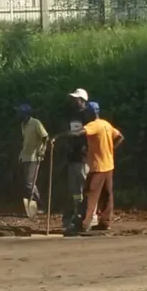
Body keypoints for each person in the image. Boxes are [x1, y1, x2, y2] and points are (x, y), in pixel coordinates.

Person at [55, 103, 124, 234]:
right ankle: (105, 222)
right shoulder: (106, 124)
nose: (85, 114)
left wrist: (59, 136)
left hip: (97, 167)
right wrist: (111, 149)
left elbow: (78, 133)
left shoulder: (93, 125)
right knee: (107, 195)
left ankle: (82, 224)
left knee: (89, 194)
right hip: (109, 165)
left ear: (91, 113)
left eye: (87, 112)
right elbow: (120, 137)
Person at [62, 89, 92, 233]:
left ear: (83, 100)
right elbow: (69, 132)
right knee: (74, 191)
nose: (74, 101)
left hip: (83, 157)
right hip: (72, 157)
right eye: (74, 98)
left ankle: (88, 218)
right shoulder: (72, 115)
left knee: (85, 188)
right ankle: (74, 218)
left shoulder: (88, 115)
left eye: (77, 99)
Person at [16, 104, 48, 218]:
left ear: (26, 114)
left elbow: (45, 137)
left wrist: (42, 150)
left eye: (20, 113)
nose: (18, 115)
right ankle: (34, 205)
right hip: (24, 156)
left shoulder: (36, 123)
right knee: (27, 183)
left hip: (34, 157)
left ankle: (41, 205)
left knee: (29, 183)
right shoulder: (23, 125)